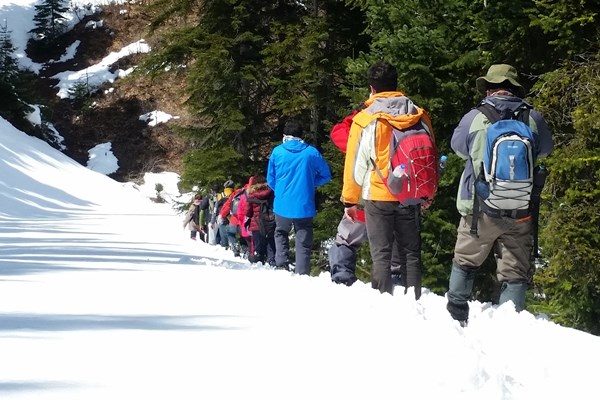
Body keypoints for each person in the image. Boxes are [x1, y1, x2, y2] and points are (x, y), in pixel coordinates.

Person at [445, 64, 554, 325]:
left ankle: (456, 316)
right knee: (515, 270)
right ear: (514, 88)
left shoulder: (474, 117)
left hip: (479, 207)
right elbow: (545, 150)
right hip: (520, 207)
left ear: (489, 88)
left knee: (466, 260)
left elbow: (458, 148)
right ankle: (510, 325)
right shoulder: (532, 117)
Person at [341, 61, 433, 299]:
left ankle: (383, 303)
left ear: (372, 88)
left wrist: (350, 200)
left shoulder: (365, 119)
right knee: (411, 253)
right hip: (410, 193)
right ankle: (415, 302)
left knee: (381, 254)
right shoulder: (418, 114)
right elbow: (427, 155)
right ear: (396, 84)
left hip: (379, 194)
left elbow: (355, 163)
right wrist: (427, 193)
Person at [328, 104, 406, 287]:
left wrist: (357, 113)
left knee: (349, 234)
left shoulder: (365, 120)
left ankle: (342, 274)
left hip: (368, 191)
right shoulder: (409, 116)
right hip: (401, 191)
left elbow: (338, 134)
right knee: (395, 236)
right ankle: (397, 279)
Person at [267, 120, 332, 275]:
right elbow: (326, 175)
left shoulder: (277, 152)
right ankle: (302, 272)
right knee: (303, 238)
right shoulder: (311, 152)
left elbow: (271, 178)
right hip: (304, 203)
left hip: (282, 202)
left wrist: (280, 190)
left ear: (285, 135)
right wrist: (311, 183)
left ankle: (281, 264)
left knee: (281, 232)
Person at [244, 174, 276, 266]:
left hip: (256, 224)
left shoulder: (251, 196)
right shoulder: (271, 193)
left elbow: (247, 212)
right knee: (270, 242)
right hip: (269, 222)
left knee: (259, 244)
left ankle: (259, 260)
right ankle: (271, 260)